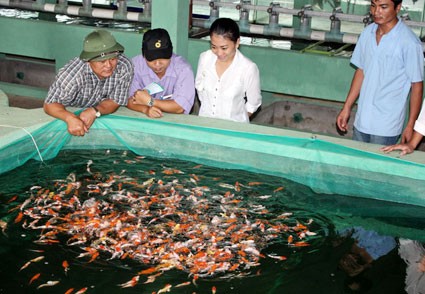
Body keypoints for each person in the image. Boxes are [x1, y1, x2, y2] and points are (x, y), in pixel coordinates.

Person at [336, 0, 424, 145]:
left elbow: (417, 85)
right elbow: (361, 71)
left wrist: (411, 125)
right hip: (362, 120)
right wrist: (346, 107)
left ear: (398, 8)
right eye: (373, 5)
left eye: (383, 7)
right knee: (357, 165)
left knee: (377, 166)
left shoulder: (409, 42)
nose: (376, 12)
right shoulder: (367, 33)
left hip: (387, 125)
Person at [44, 29, 133, 136]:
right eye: (102, 61)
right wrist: (70, 118)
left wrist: (95, 111)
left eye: (113, 59)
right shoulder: (72, 74)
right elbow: (49, 104)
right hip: (69, 109)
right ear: (88, 60)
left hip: (97, 108)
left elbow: (115, 101)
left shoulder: (124, 66)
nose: (109, 66)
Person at [195, 18, 262, 123]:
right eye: (214, 47)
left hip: (233, 130)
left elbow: (253, 103)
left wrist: (236, 119)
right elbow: (200, 89)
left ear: (237, 43)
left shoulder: (248, 68)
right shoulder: (205, 58)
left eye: (224, 48)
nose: (219, 53)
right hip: (205, 125)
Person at [128, 28, 195, 118]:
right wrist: (146, 110)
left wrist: (150, 101)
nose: (158, 64)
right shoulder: (135, 66)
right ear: (143, 53)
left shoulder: (183, 69)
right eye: (152, 59)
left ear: (171, 51)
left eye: (163, 58)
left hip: (175, 121)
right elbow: (129, 100)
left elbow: (180, 107)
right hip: (144, 117)